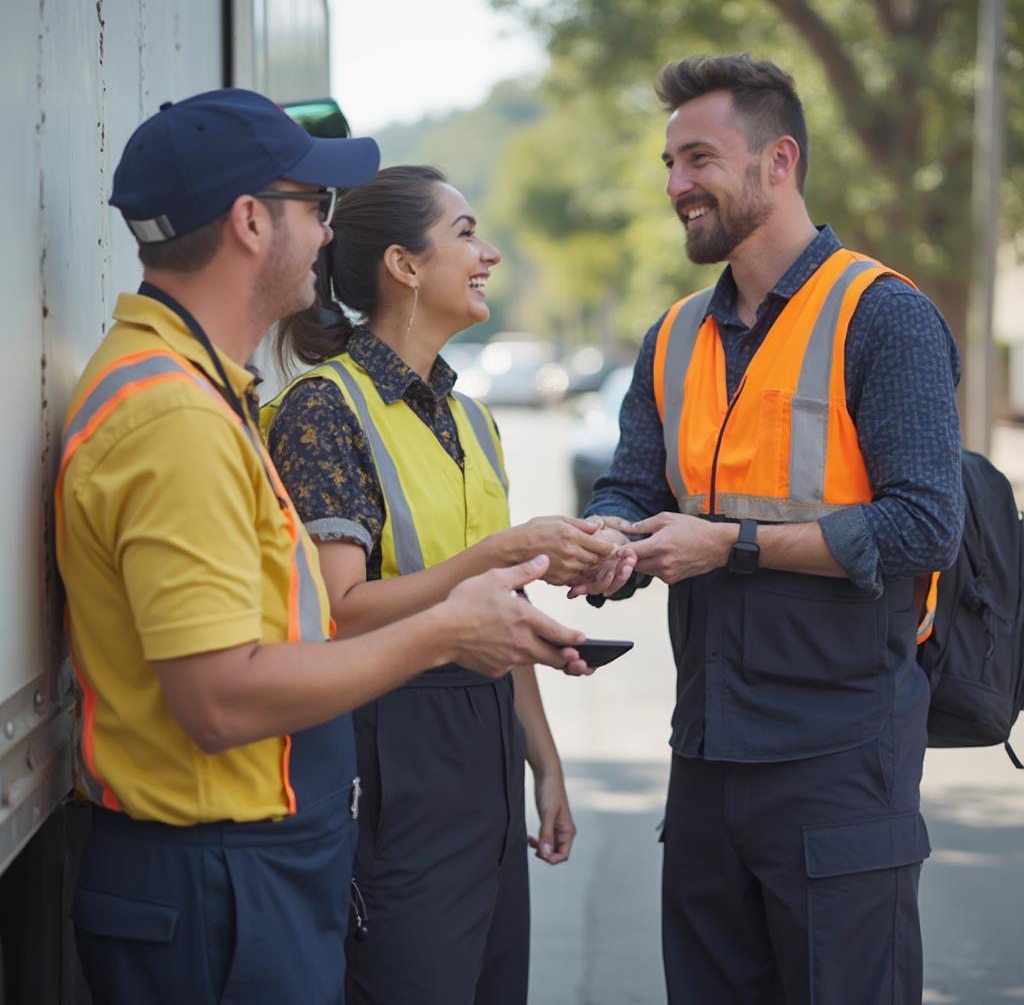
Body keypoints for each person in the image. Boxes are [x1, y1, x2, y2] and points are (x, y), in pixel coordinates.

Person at [55, 90, 590, 1005]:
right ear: (251, 222)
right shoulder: (175, 417)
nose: (325, 235)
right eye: (315, 207)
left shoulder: (196, 394)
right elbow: (221, 700)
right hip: (216, 876)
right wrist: (445, 630)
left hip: (241, 864)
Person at [570, 54, 963, 1004]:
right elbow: (631, 483)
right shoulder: (670, 337)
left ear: (778, 161)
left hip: (840, 760)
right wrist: (604, 544)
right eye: (668, 164)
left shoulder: (887, 317)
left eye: (699, 158)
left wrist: (731, 545)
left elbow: (923, 527)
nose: (676, 187)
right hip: (705, 757)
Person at [262, 164, 613, 1005]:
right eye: (465, 234)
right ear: (404, 265)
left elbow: (504, 607)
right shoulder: (324, 409)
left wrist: (544, 764)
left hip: (485, 754)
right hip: (392, 755)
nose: (488, 253)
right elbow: (339, 615)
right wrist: (493, 557)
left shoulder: (472, 418)